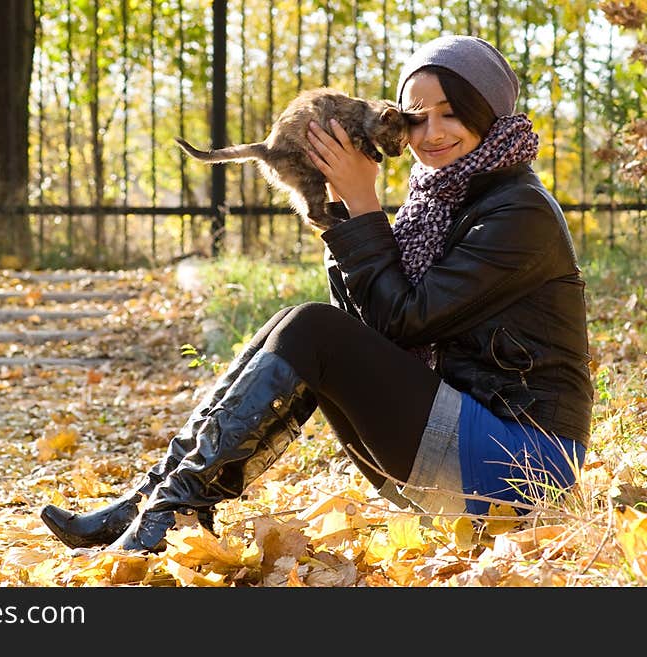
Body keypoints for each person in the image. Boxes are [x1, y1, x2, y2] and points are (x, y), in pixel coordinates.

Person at [40, 34, 594, 553]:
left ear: (490, 113)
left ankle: (166, 514)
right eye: (417, 118)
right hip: (460, 443)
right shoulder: (439, 204)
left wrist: (362, 209)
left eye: (452, 113)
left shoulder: (518, 211)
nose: (431, 134)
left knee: (311, 328)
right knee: (299, 326)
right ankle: (157, 504)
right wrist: (341, 216)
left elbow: (403, 321)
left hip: (523, 466)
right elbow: (365, 327)